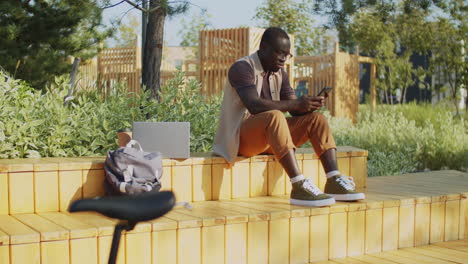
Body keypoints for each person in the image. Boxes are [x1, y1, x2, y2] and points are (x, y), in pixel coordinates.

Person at [213, 27, 365, 206]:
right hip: (240, 139)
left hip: (270, 137)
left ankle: (333, 180)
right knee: (275, 116)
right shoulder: (242, 68)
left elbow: (294, 109)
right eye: (279, 52)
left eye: (287, 54)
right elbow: (254, 105)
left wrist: (309, 105)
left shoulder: (280, 73)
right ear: (263, 47)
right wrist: (296, 104)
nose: (283, 59)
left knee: (317, 120)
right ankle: (298, 185)